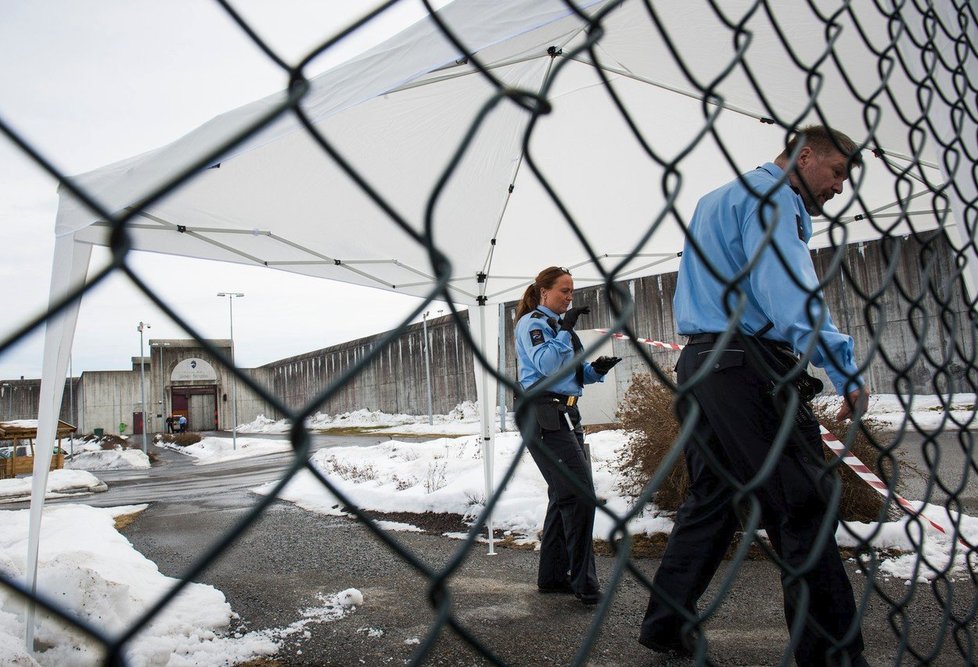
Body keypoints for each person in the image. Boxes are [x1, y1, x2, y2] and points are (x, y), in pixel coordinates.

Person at [639, 125, 871, 666]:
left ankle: (665, 623)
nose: (839, 188)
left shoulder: (716, 198)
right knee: (805, 503)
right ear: (804, 155)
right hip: (749, 366)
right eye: (835, 173)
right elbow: (789, 295)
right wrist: (844, 369)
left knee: (713, 501)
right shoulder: (776, 199)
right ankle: (832, 654)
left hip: (702, 363)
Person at [514, 266, 622, 606]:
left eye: (572, 291)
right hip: (542, 412)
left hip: (567, 413)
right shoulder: (533, 323)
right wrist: (565, 330)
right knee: (578, 493)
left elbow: (571, 373)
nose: (569, 296)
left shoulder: (561, 330)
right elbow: (546, 364)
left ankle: (552, 577)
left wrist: (596, 370)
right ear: (544, 292)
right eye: (564, 290)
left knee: (564, 493)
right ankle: (584, 583)